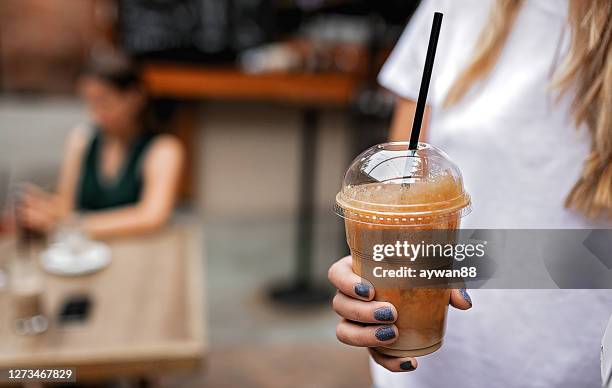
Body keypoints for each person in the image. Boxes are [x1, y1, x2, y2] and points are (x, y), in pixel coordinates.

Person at [328, 0, 612, 386]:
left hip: (574, 363)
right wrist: (376, 265)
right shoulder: (455, 7)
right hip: (426, 363)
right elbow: (398, 202)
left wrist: (470, 260)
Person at [17, 52, 184, 239]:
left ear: (134, 97)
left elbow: (151, 217)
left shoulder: (163, 149)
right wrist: (43, 208)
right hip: (84, 251)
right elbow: (67, 205)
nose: (95, 113)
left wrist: (71, 224)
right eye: (90, 102)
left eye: (104, 101)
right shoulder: (82, 139)